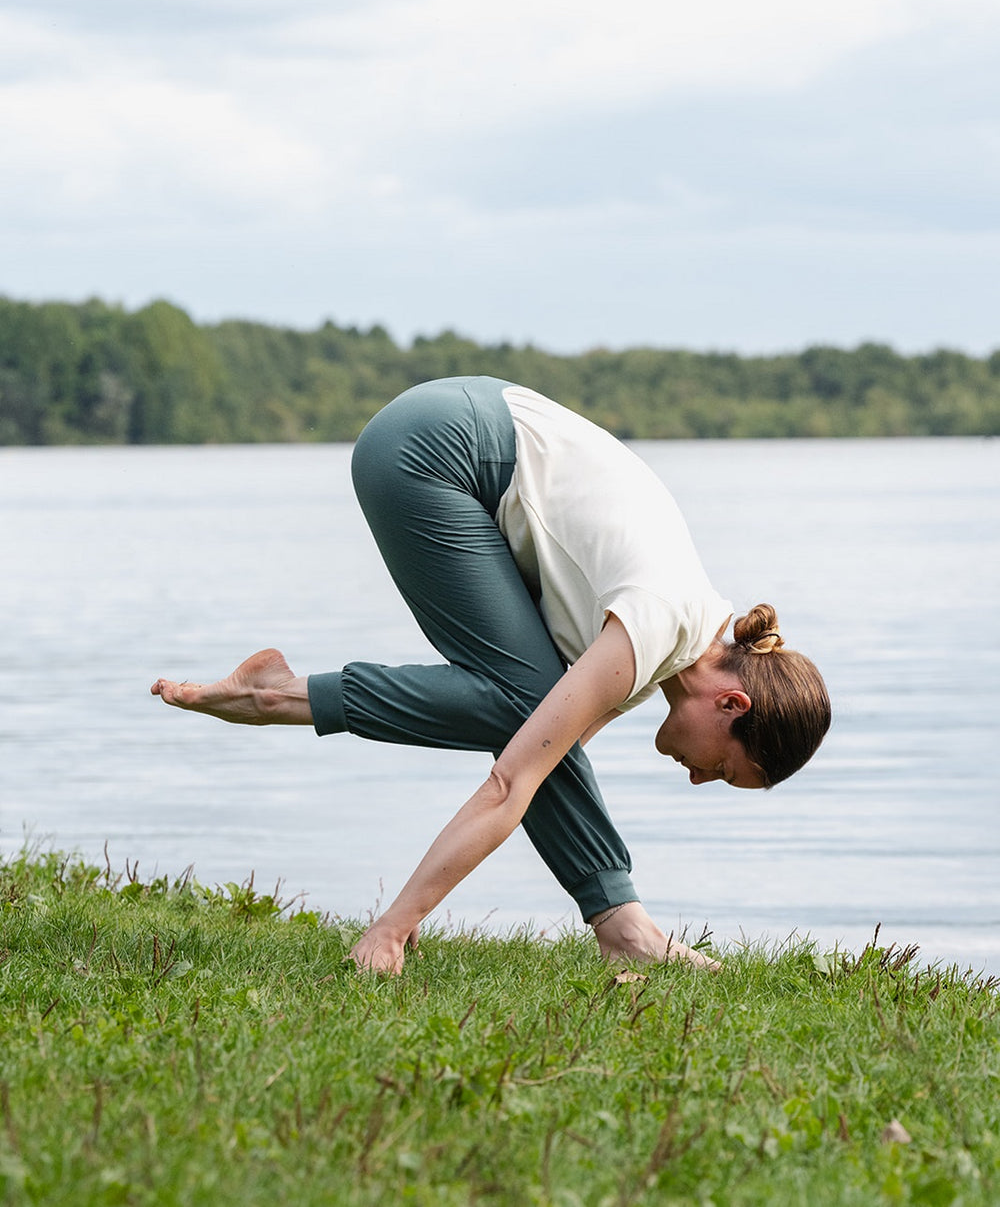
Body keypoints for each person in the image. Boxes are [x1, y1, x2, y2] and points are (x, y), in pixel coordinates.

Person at [151, 376, 830, 974]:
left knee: (534, 726)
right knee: (524, 713)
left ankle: (625, 930)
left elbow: (536, 763)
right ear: (733, 705)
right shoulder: (656, 625)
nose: (695, 777)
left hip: (452, 423)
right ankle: (274, 696)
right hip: (432, 447)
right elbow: (511, 781)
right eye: (723, 770)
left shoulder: (668, 644)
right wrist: (395, 924)